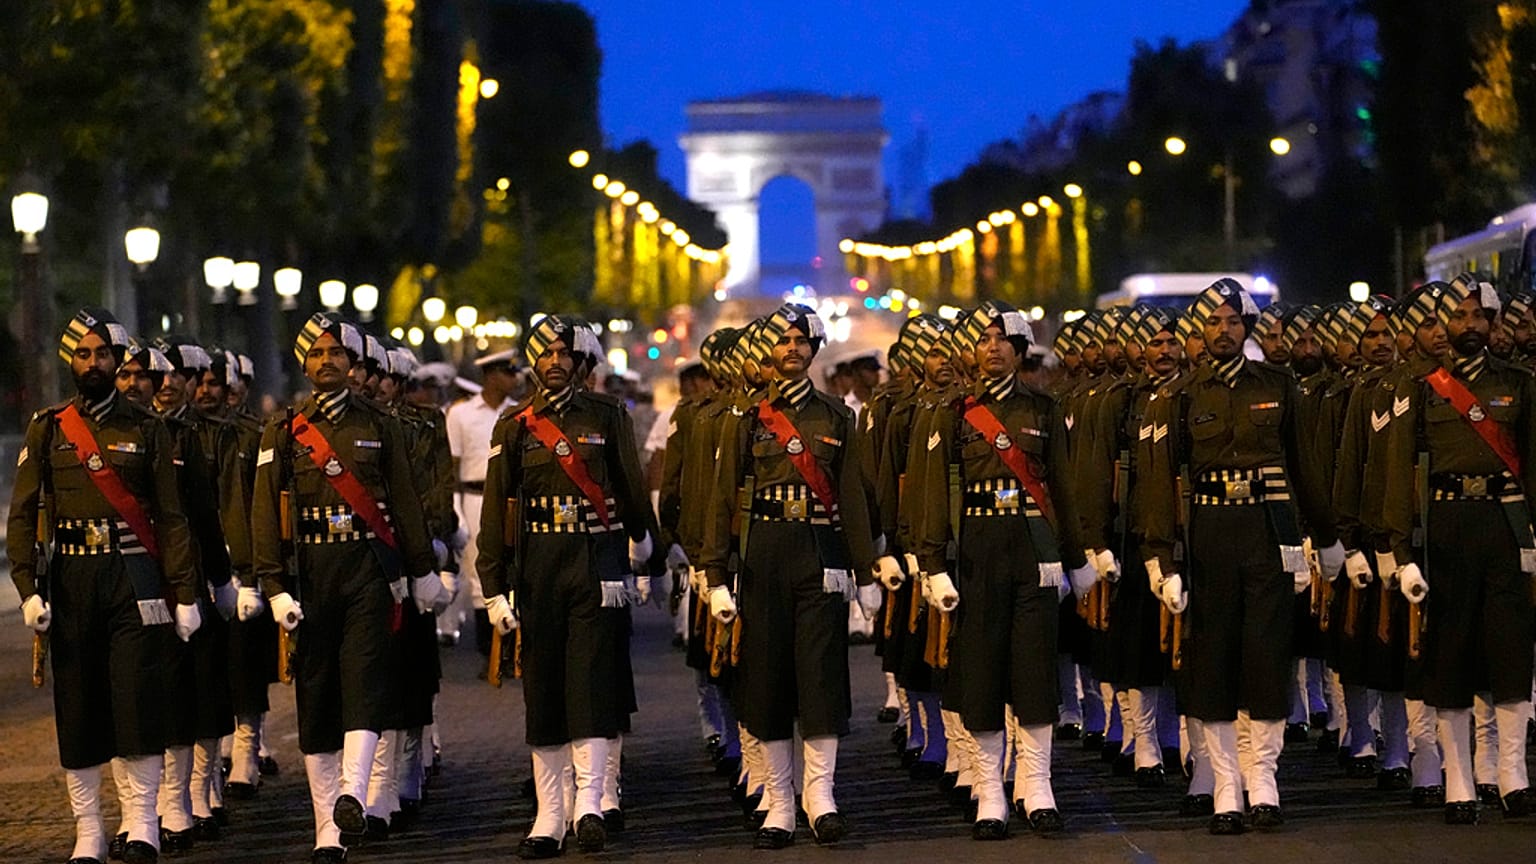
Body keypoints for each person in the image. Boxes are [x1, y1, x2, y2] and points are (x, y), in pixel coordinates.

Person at [1139, 279, 1343, 835]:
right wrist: (1162, 561)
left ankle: (1264, 779)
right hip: (1210, 536)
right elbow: (1159, 485)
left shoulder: (1279, 385)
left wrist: (1326, 539)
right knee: (1213, 660)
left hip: (1268, 532)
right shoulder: (1181, 393)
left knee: (1266, 654)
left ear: (1247, 329)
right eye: (1214, 322)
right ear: (1199, 332)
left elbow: (1306, 469)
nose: (1223, 331)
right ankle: (1225, 783)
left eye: (1233, 321)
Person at [9, 308, 202, 864]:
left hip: (135, 578)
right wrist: (28, 589)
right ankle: (89, 830)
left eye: (103, 354)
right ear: (71, 360)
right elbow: (22, 517)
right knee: (78, 705)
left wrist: (184, 591)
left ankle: (141, 822)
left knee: (135, 700)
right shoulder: (48, 428)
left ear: (119, 361)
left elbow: (170, 517)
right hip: (70, 581)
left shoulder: (148, 428)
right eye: (84, 353)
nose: (95, 363)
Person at [250, 313, 439, 864]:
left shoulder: (382, 424)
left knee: (365, 680)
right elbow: (265, 512)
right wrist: (273, 583)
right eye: (316, 354)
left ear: (354, 364)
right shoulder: (282, 430)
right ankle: (325, 828)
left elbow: (404, 502)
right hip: (310, 573)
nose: (326, 361)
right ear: (304, 364)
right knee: (317, 693)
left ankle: (353, 795)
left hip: (369, 568)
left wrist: (423, 569)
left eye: (336, 353)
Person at [904, 300, 1092, 839]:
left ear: (1019, 348)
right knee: (982, 675)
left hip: (1035, 551)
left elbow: (1063, 490)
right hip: (978, 554)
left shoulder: (1043, 408)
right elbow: (932, 494)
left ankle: (1037, 788)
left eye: (1001, 339)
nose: (991, 347)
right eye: (982, 339)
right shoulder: (950, 410)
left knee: (1035, 674)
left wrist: (1076, 560)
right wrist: (932, 562)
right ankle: (991, 791)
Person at [476, 315, 660, 858]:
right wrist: (493, 585)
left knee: (591, 684)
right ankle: (548, 814)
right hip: (537, 568)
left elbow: (630, 490)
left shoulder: (608, 414)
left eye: (564, 354)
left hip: (597, 563)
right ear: (532, 363)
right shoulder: (513, 426)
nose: (554, 363)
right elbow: (495, 510)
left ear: (580, 363)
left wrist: (644, 555)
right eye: (545, 354)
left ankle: (589, 805)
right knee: (544, 690)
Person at [698, 303, 880, 849]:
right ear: (769, 352)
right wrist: (713, 573)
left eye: (801, 340)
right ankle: (779, 803)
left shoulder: (836, 416)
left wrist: (864, 572)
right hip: (762, 555)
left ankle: (820, 799)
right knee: (767, 680)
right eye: (782, 341)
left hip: (820, 551)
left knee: (821, 677)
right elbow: (720, 497)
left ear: (813, 349)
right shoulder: (745, 417)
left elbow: (852, 496)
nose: (792, 349)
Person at [1379, 276, 1536, 824]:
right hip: (1445, 528)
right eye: (1460, 316)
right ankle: (1460, 781)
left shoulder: (1521, 383)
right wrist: (1402, 553)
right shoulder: (1422, 388)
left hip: (1505, 524)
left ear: (1493, 324)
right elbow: (1401, 474)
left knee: (1513, 654)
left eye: (1479, 316)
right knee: (1449, 656)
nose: (1469, 325)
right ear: (1444, 324)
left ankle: (1513, 775)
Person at [441, 349, 520, 652]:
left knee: (513, 569)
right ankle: (489, 648)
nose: (514, 379)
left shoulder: (517, 411)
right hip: (475, 496)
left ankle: (513, 645)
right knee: (478, 569)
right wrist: (455, 510)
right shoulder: (461, 414)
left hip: (511, 499)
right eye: (507, 373)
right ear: (490, 376)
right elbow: (452, 466)